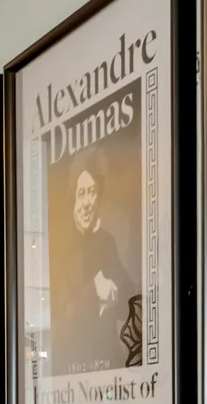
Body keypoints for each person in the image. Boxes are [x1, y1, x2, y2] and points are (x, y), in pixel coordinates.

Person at [49, 152, 139, 374]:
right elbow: (59, 319)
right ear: (73, 199)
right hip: (71, 368)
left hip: (107, 366)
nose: (87, 202)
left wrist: (117, 293)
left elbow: (128, 293)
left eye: (92, 192)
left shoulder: (106, 240)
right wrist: (95, 290)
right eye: (81, 193)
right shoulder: (61, 248)